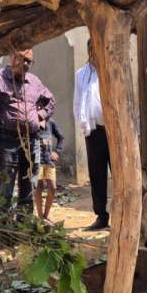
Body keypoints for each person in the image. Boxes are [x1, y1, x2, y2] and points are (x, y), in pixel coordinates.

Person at [0, 48, 55, 213]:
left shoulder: (34, 81)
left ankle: (25, 224)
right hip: (6, 142)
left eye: (29, 61)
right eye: (21, 58)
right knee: (5, 190)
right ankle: (4, 226)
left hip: (31, 142)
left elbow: (51, 102)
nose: (25, 64)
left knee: (29, 188)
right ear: (11, 56)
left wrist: (39, 116)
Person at [73, 40, 110, 230]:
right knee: (97, 174)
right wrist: (83, 125)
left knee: (120, 175)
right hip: (93, 131)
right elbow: (77, 100)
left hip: (113, 131)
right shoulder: (81, 74)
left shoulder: (111, 69)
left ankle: (123, 214)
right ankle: (101, 216)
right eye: (93, 47)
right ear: (89, 49)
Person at [34, 118, 64, 221]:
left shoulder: (50, 122)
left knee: (53, 187)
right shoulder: (32, 121)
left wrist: (57, 151)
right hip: (36, 160)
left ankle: (46, 215)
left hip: (49, 161)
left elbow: (61, 137)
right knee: (38, 187)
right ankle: (40, 217)